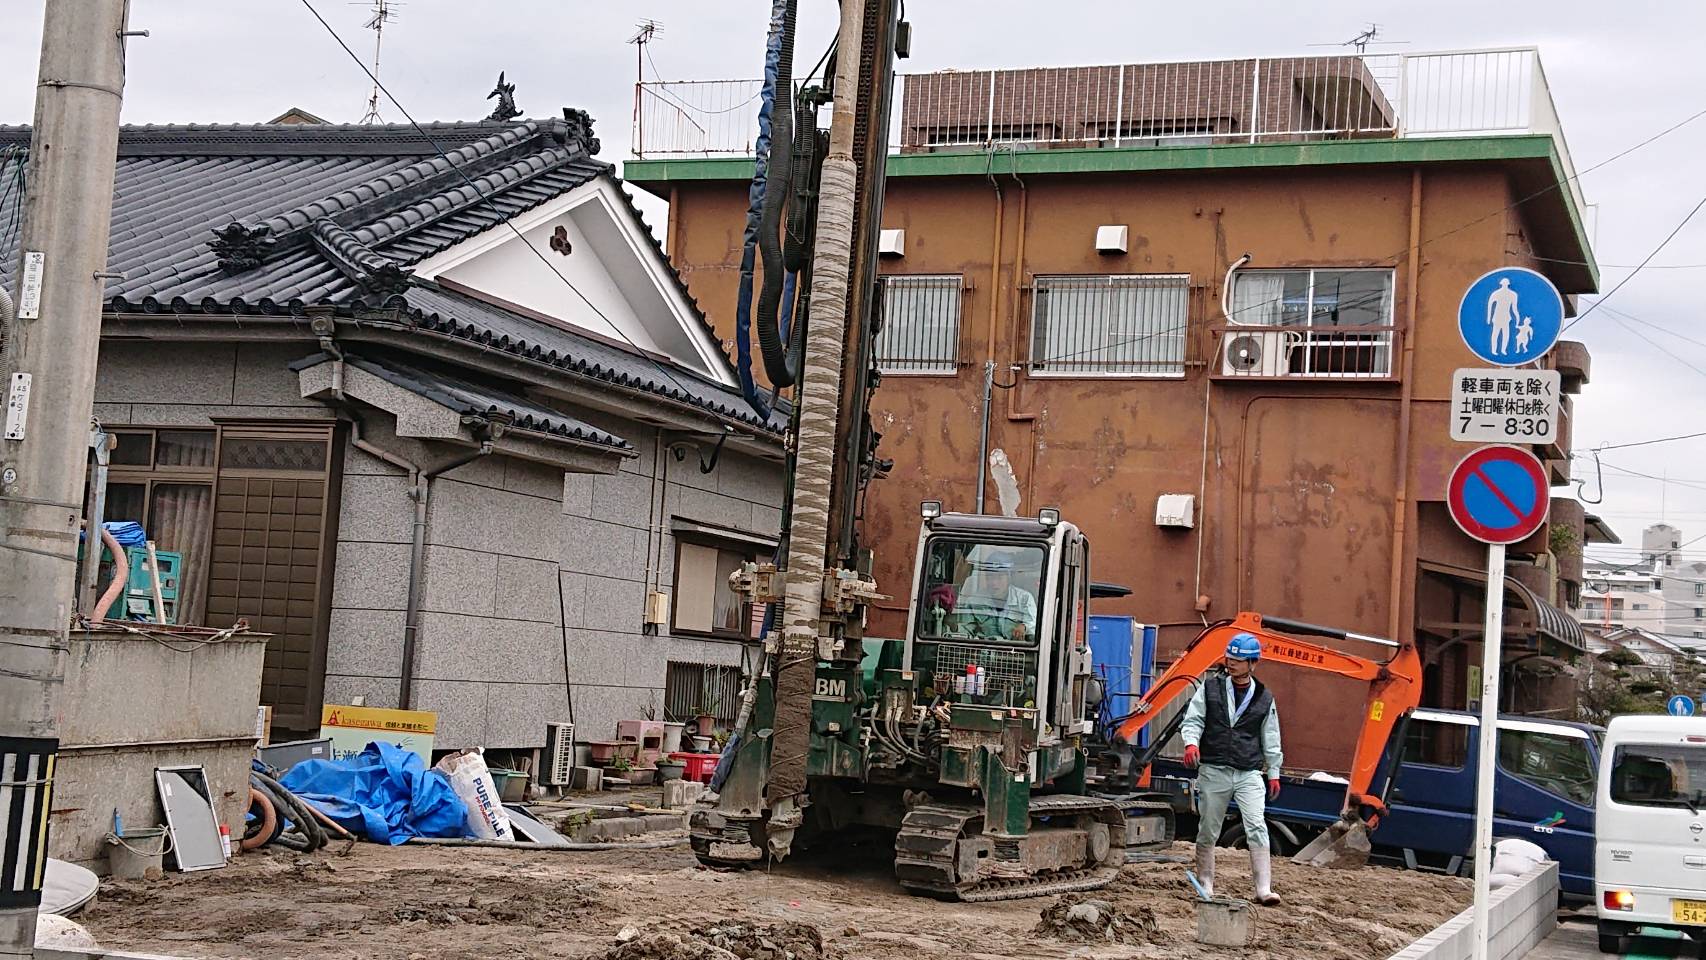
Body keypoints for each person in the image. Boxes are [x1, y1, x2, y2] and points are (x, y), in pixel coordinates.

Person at [1180, 631, 1284, 906]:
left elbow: (1271, 737)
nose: (1231, 663)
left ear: (1253, 663)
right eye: (1229, 658)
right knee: (1208, 829)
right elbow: (1194, 719)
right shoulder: (1210, 688)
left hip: (1248, 772)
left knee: (1256, 825)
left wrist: (1273, 773)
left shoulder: (1264, 697)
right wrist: (1191, 743)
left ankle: (1264, 888)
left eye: (1238, 660)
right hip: (1214, 770)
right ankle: (1206, 884)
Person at [950, 552, 1038, 641]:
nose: (994, 583)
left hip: (1015, 651)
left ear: (1009, 578)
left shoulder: (1024, 599)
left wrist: (1024, 627)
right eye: (990, 577)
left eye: (999, 577)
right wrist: (953, 626)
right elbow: (965, 630)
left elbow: (1035, 624)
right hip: (984, 650)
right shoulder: (974, 601)